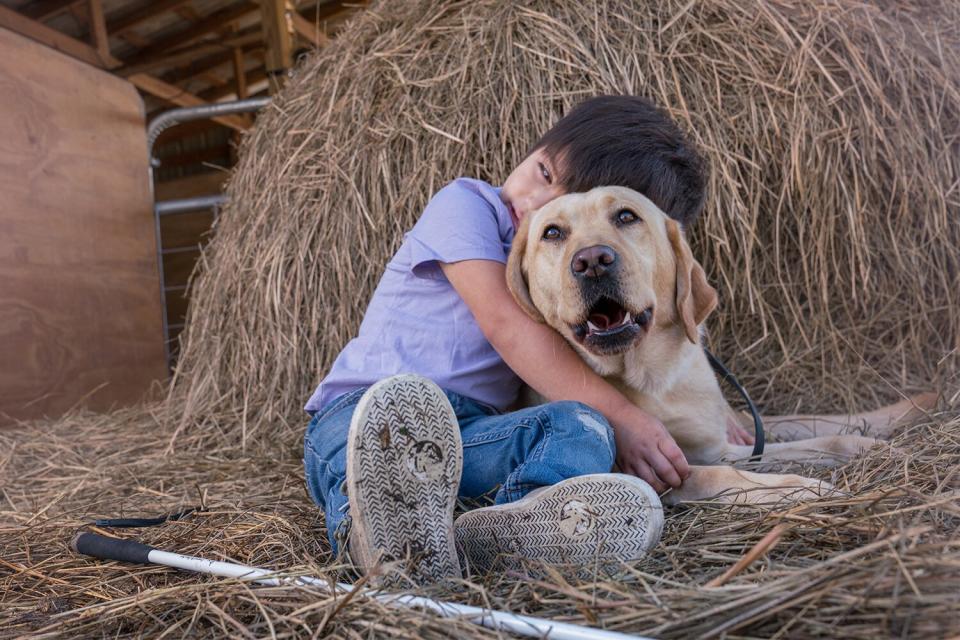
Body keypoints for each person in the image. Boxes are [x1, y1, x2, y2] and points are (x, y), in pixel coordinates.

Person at [303, 95, 711, 584]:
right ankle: (372, 542)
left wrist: (704, 418)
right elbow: (507, 327)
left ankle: (504, 529)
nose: (537, 203)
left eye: (565, 202)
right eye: (542, 173)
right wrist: (626, 418)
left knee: (582, 428)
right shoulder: (468, 206)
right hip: (367, 416)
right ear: (533, 149)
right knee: (373, 475)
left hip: (469, 434)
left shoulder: (552, 264)